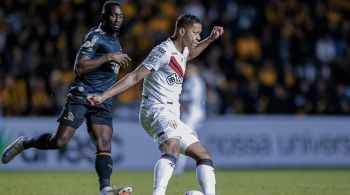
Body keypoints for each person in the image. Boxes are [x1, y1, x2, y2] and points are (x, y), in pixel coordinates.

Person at [2, 1, 133, 195]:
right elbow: (79, 68)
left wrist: (111, 68)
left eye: (120, 16)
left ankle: (105, 189)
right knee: (60, 142)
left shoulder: (115, 40)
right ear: (103, 17)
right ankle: (25, 142)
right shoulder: (95, 37)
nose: (117, 19)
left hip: (102, 99)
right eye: (113, 15)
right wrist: (108, 58)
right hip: (82, 94)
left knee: (104, 141)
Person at [87, 14, 224, 195]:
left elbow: (190, 54)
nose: (198, 36)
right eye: (196, 33)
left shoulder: (182, 50)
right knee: (172, 147)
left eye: (200, 33)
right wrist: (103, 96)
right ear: (182, 32)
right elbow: (134, 76)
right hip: (155, 108)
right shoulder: (163, 51)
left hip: (171, 113)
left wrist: (210, 39)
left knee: (203, 155)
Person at [174, 63, 207, 175]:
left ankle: (179, 169)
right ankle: (181, 167)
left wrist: (177, 97)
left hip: (194, 113)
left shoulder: (196, 81)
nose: (186, 72)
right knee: (185, 139)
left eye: (189, 70)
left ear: (194, 71)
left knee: (184, 139)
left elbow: (193, 97)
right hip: (190, 112)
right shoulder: (192, 81)